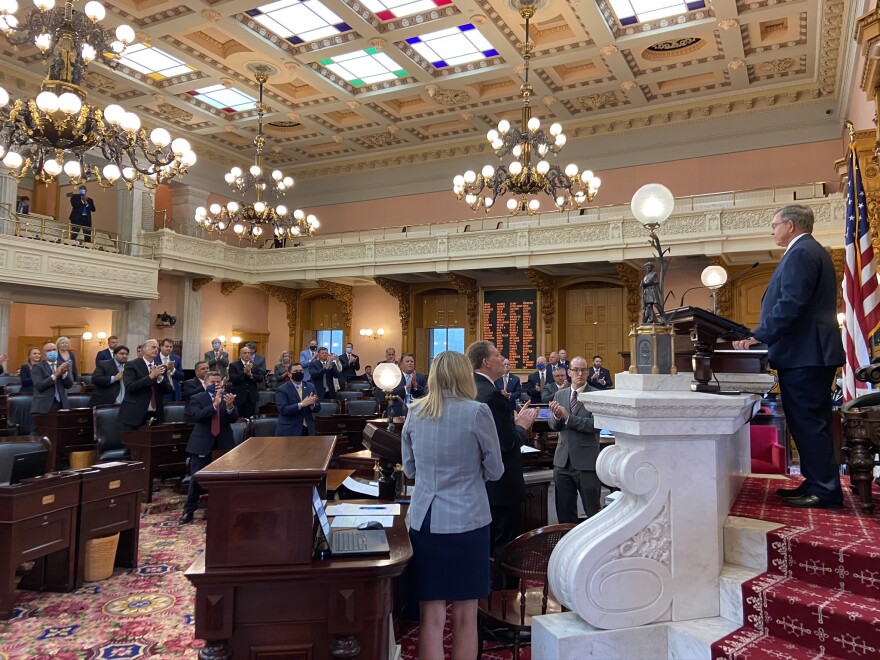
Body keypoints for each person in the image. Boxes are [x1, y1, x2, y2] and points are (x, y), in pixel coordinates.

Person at [733, 204, 845, 509]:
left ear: (792, 226)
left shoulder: (802, 253)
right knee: (811, 421)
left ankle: (824, 490)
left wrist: (760, 335)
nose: (772, 230)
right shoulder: (808, 251)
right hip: (808, 353)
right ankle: (817, 482)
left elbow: (790, 303)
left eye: (774, 224)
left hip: (805, 354)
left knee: (808, 422)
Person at [402, 350, 503, 660]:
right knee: (464, 614)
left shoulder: (414, 411)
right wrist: (474, 475)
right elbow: (496, 469)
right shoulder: (476, 412)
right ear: (464, 376)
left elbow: (409, 470)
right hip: (467, 520)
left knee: (430, 615)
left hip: (426, 520)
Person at [467, 340, 537, 586]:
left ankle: (484, 599)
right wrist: (521, 426)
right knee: (505, 549)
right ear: (486, 361)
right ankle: (502, 603)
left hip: (479, 484)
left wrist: (512, 422)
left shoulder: (469, 389)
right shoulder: (492, 395)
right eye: (498, 354)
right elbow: (507, 443)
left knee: (483, 547)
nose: (502, 358)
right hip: (502, 486)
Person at [548, 356, 602, 523]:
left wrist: (568, 417)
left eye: (584, 370)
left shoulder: (597, 395)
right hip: (562, 462)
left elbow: (595, 425)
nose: (580, 373)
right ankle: (566, 546)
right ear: (569, 372)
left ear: (588, 372)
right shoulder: (560, 394)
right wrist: (557, 418)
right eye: (576, 370)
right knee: (564, 513)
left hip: (586, 462)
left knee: (592, 512)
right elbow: (553, 425)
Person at [179, 371, 238, 525]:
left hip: (223, 443)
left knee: (224, 478)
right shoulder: (197, 398)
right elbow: (196, 416)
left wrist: (230, 406)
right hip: (202, 443)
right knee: (196, 478)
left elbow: (233, 418)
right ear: (205, 383)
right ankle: (189, 511)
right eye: (213, 382)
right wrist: (214, 405)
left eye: (219, 382)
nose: (216, 385)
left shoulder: (227, 397)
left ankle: (220, 509)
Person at [117, 338, 173, 431]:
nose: (156, 350)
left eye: (157, 348)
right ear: (144, 349)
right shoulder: (131, 365)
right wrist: (151, 377)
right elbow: (130, 387)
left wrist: (160, 378)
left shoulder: (161, 367)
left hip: (156, 413)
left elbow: (169, 390)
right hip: (134, 413)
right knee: (133, 443)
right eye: (153, 347)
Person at [31, 342, 74, 433]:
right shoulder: (38, 367)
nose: (52, 352)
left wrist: (64, 373)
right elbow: (39, 386)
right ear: (44, 353)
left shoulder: (63, 365)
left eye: (54, 350)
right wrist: (55, 375)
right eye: (49, 350)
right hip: (44, 405)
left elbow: (69, 385)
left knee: (62, 433)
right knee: (42, 432)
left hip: (61, 404)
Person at [275, 364, 321, 436]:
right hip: (290, 430)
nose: (299, 373)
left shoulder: (310, 386)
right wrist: (301, 404)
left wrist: (312, 404)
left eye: (300, 371)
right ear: (289, 374)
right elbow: (283, 410)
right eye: (296, 371)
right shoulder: (282, 390)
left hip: (308, 428)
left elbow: (318, 407)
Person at [387, 352, 427, 417]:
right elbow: (390, 393)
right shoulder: (395, 377)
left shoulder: (421, 377)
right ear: (401, 364)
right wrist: (407, 387)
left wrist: (416, 385)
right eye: (407, 361)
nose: (410, 363)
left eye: (412, 361)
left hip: (416, 412)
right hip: (397, 411)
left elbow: (425, 394)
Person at [227, 345, 260, 418]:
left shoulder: (255, 365)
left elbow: (260, 378)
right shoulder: (234, 365)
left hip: (251, 397)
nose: (247, 355)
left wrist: (251, 375)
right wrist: (244, 372)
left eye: (249, 353)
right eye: (245, 353)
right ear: (240, 355)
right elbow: (233, 379)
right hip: (239, 396)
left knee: (250, 419)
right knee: (237, 418)